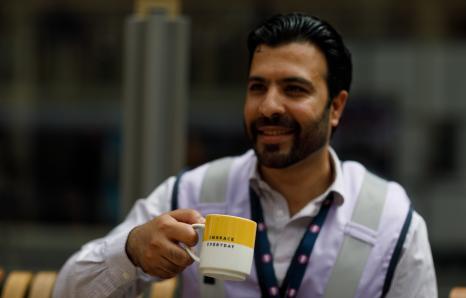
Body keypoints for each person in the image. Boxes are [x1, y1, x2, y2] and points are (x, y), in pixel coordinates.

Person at [53, 12, 437, 298]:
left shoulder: (390, 221)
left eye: (293, 89)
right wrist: (132, 251)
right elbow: (66, 291)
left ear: (335, 107)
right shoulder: (192, 193)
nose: (268, 105)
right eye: (257, 87)